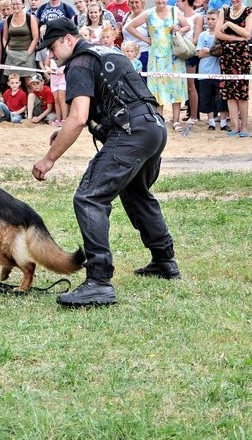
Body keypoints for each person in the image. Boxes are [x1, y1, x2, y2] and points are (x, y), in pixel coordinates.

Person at [32, 18, 179, 308]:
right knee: (137, 193)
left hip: (130, 133)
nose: (51, 56)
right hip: (152, 127)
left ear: (67, 40)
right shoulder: (107, 51)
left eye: (52, 48)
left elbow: (78, 117)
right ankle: (164, 261)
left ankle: (98, 281)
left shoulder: (80, 62)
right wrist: (62, 133)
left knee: (89, 197)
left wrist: (49, 159)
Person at [125, 0, 190, 131]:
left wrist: (178, 29)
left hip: (173, 55)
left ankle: (176, 120)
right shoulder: (149, 13)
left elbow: (187, 26)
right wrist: (145, 39)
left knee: (176, 87)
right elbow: (129, 27)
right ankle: (159, 118)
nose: (160, 1)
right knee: (158, 87)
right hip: (156, 55)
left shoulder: (174, 11)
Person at [215, 0, 252, 137]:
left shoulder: (249, 11)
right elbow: (218, 34)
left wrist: (230, 24)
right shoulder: (224, 10)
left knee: (242, 93)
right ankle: (235, 126)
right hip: (226, 56)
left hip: (241, 57)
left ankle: (244, 126)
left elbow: (247, 32)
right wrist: (235, 38)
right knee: (229, 93)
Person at [177, 0, 203, 123]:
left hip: (189, 53)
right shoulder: (178, 16)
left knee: (191, 85)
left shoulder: (197, 17)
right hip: (178, 53)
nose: (176, 4)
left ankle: (194, 115)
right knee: (178, 83)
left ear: (185, 2)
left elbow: (196, 37)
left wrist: (184, 46)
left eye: (178, 1)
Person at [3, 0, 39, 89]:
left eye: (18, 4)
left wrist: (28, 53)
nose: (15, 6)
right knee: (13, 85)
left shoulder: (30, 18)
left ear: (23, 4)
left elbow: (35, 38)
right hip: (12, 55)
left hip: (27, 54)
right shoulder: (8, 19)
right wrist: (7, 50)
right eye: (13, 4)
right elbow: (4, 38)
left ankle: (32, 104)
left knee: (29, 84)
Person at [196, 10, 222, 131]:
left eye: (213, 19)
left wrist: (209, 51)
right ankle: (211, 121)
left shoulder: (221, 34)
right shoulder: (203, 35)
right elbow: (199, 53)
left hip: (218, 72)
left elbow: (220, 52)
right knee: (207, 97)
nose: (210, 22)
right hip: (204, 72)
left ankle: (222, 121)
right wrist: (213, 52)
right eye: (208, 19)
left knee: (220, 97)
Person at [120, 0, 149, 73]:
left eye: (137, 2)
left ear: (142, 3)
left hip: (143, 54)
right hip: (126, 54)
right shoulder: (126, 16)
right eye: (132, 2)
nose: (134, 5)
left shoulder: (147, 17)